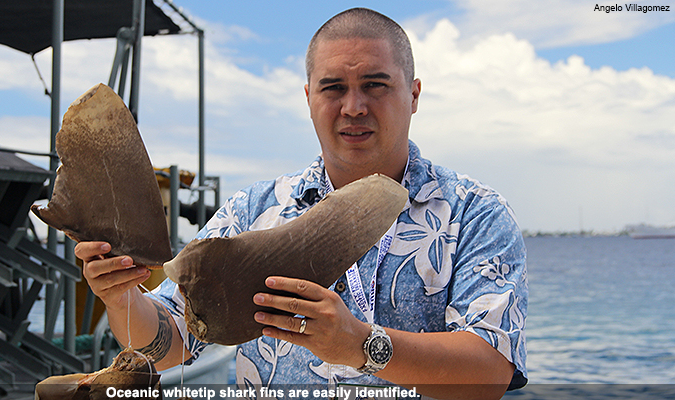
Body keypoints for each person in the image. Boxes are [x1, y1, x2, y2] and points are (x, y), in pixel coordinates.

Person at [76, 7, 527, 400]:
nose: (354, 106)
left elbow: (489, 373)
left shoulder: (474, 213)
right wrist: (121, 298)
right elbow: (172, 341)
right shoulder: (253, 210)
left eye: (375, 85)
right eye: (333, 88)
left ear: (413, 94)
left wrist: (360, 344)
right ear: (309, 98)